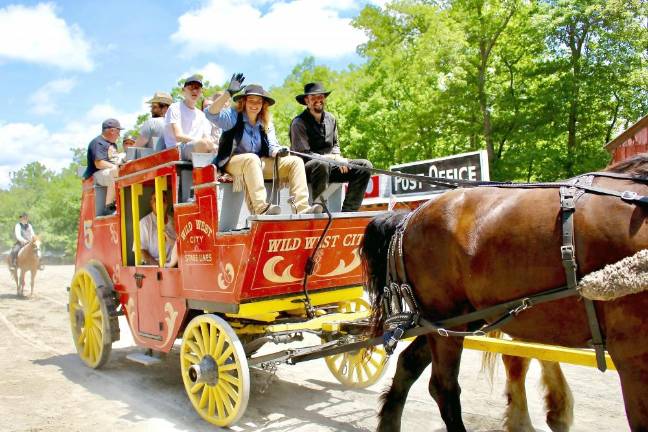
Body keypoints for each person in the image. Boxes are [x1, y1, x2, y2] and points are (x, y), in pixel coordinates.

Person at [205, 74, 322, 215]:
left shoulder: (265, 122)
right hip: (231, 163)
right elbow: (210, 114)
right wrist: (228, 93)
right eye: (251, 101)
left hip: (257, 163)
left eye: (258, 102)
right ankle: (261, 208)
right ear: (244, 102)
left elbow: (272, 146)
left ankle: (302, 208)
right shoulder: (233, 116)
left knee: (295, 161)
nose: (254, 105)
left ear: (263, 104)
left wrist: (279, 151)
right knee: (251, 158)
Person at [290, 82, 373, 212]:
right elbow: (303, 154)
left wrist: (338, 158)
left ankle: (349, 211)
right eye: (313, 98)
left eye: (321, 97)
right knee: (321, 164)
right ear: (306, 101)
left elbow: (335, 145)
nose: (318, 100)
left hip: (331, 166)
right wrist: (332, 158)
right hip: (307, 169)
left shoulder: (331, 119)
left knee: (364, 166)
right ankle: (321, 210)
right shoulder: (298, 123)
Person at [163, 75, 216, 160]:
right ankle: (202, 172)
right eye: (191, 87)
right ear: (183, 90)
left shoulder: (202, 115)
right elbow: (178, 136)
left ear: (201, 92)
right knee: (203, 144)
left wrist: (212, 145)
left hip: (197, 148)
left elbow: (207, 138)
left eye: (197, 88)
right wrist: (201, 142)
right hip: (176, 151)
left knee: (219, 148)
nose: (194, 90)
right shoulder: (175, 108)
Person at [83, 118, 124, 215]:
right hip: (95, 176)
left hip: (107, 172)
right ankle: (108, 206)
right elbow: (99, 163)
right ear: (112, 131)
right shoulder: (97, 142)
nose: (119, 135)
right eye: (118, 132)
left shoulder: (113, 144)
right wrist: (116, 166)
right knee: (114, 170)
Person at [138, 192, 178, 267]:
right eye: (155, 200)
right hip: (155, 268)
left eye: (163, 200)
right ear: (151, 203)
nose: (159, 203)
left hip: (174, 266)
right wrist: (159, 267)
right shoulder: (145, 223)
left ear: (167, 203)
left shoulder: (174, 222)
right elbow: (141, 251)